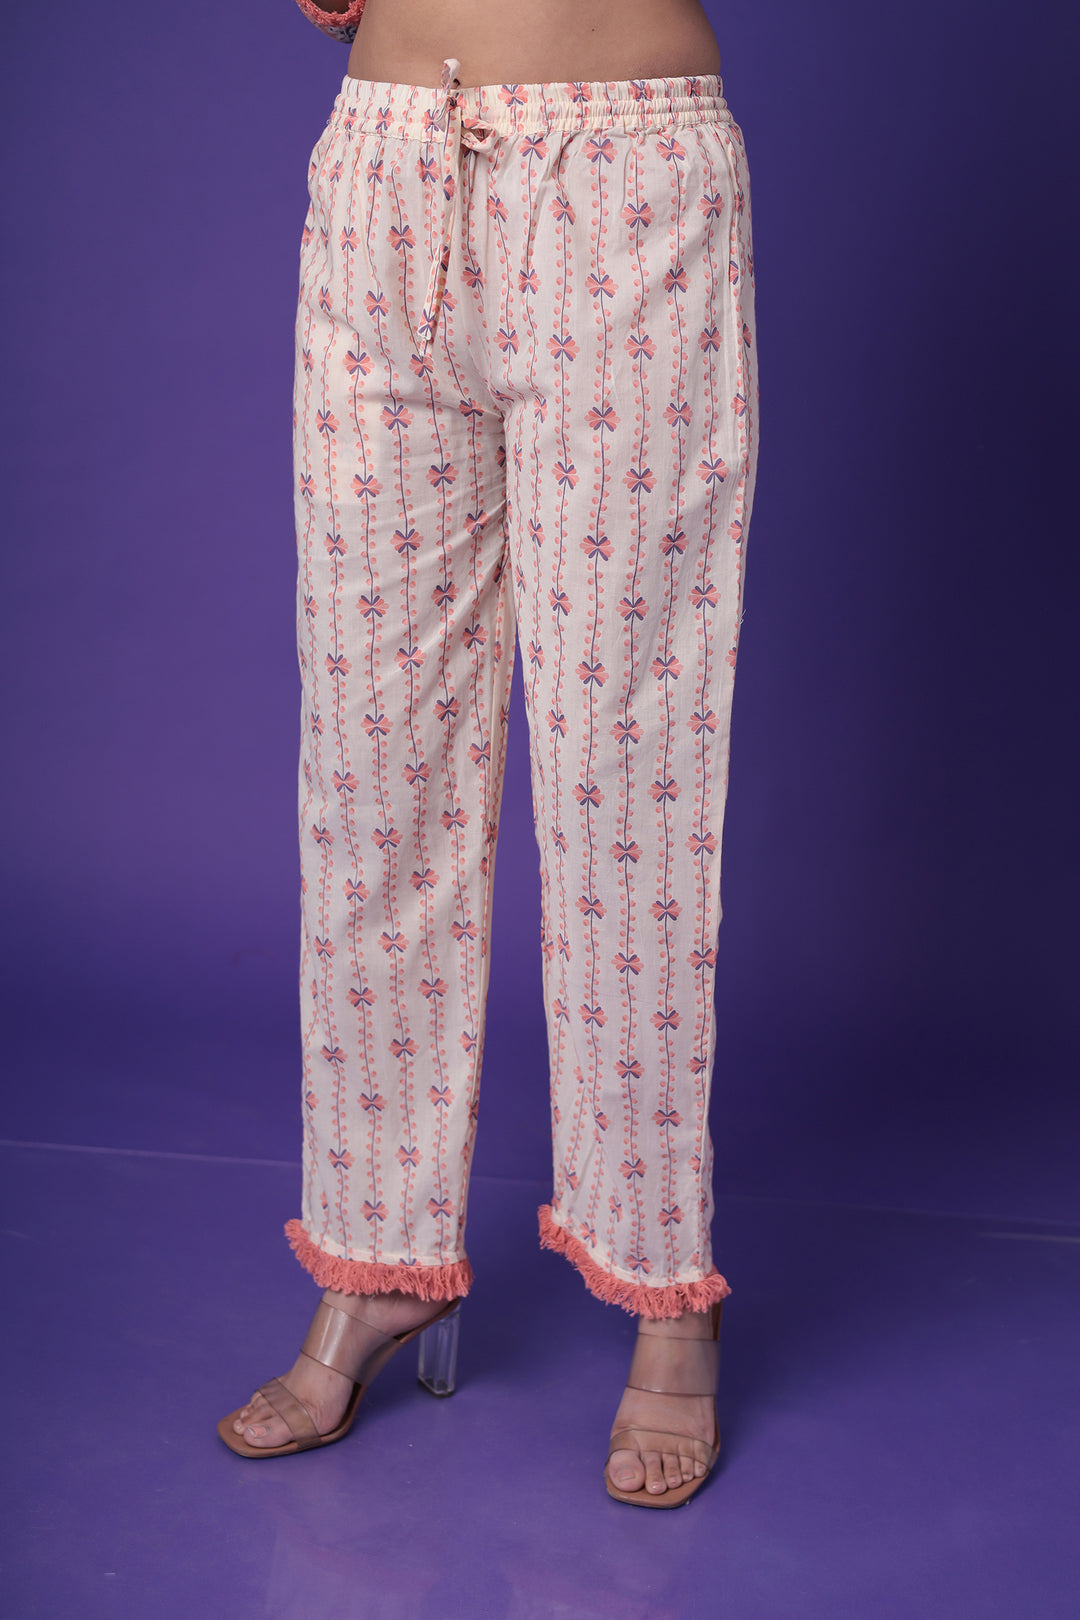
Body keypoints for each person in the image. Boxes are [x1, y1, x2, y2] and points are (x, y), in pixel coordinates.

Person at [217, 0, 759, 1508]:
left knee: (627, 767)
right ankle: (377, 1254)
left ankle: (664, 1281)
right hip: (386, 169)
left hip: (628, 182)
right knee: (371, 762)